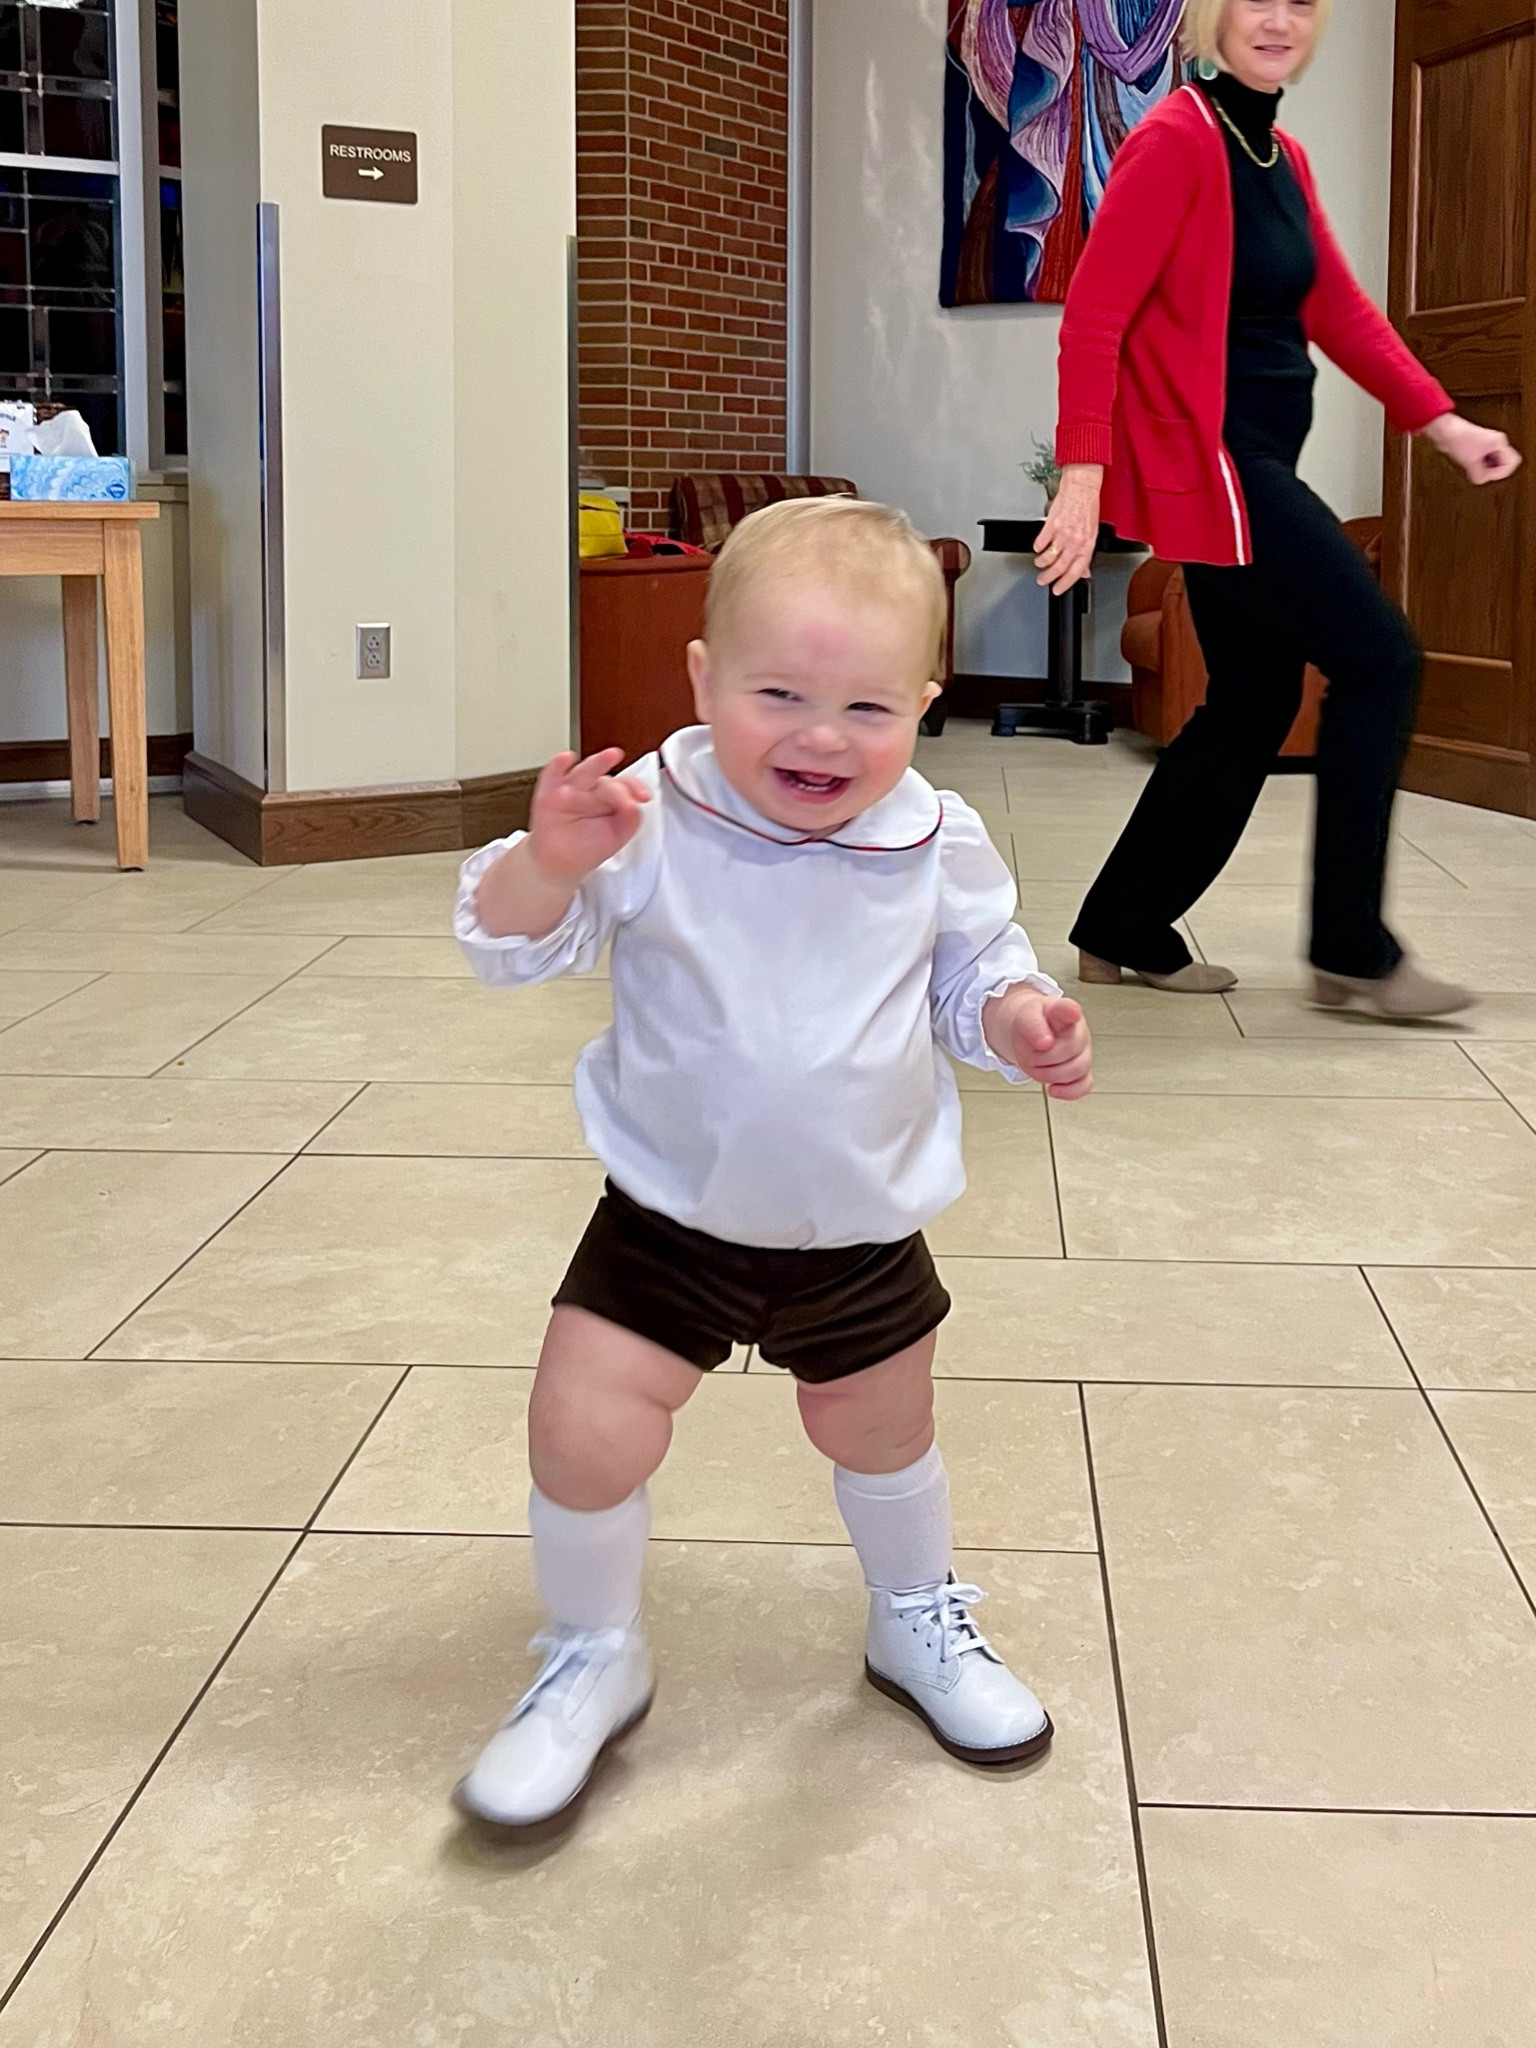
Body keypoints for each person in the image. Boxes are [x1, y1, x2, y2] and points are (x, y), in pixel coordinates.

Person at [450, 497, 1094, 1833]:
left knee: (884, 1430)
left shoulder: (934, 841)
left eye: (868, 707)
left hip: (854, 1223)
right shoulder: (651, 821)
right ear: (702, 679)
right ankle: (591, 1652)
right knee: (583, 1431)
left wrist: (1018, 1021)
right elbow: (510, 945)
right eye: (778, 693)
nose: (819, 735)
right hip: (668, 1217)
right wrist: (547, 863)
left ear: (926, 699)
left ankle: (915, 1622)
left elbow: (978, 973)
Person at [1034, 0, 1521, 1019]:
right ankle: (1352, 946)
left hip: (1255, 462)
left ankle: (1123, 923)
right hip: (1219, 466)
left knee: (1247, 704)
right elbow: (1097, 314)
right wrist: (1082, 475)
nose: (1278, 18)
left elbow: (1337, 309)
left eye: (1300, 0)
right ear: (1214, 17)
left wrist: (1441, 423)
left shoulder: (1281, 160)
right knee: (1381, 657)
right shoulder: (1175, 140)